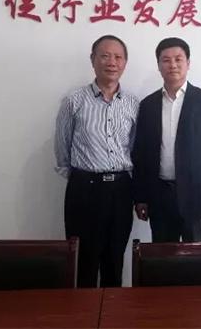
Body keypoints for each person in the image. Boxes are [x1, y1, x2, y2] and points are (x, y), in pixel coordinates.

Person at [54, 35, 138, 287]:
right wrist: (82, 178)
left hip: (121, 190)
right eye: (105, 56)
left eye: (118, 57)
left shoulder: (133, 104)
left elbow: (135, 147)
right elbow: (62, 148)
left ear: (125, 63)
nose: (112, 62)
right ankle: (82, 310)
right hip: (84, 189)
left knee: (115, 259)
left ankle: (113, 309)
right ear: (93, 60)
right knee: (83, 262)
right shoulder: (74, 101)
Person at [133, 37, 201, 242]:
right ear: (159, 65)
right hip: (160, 196)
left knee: (199, 257)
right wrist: (141, 197)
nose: (173, 65)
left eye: (178, 59)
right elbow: (141, 155)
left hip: (198, 197)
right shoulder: (148, 105)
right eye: (166, 60)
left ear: (188, 63)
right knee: (162, 257)